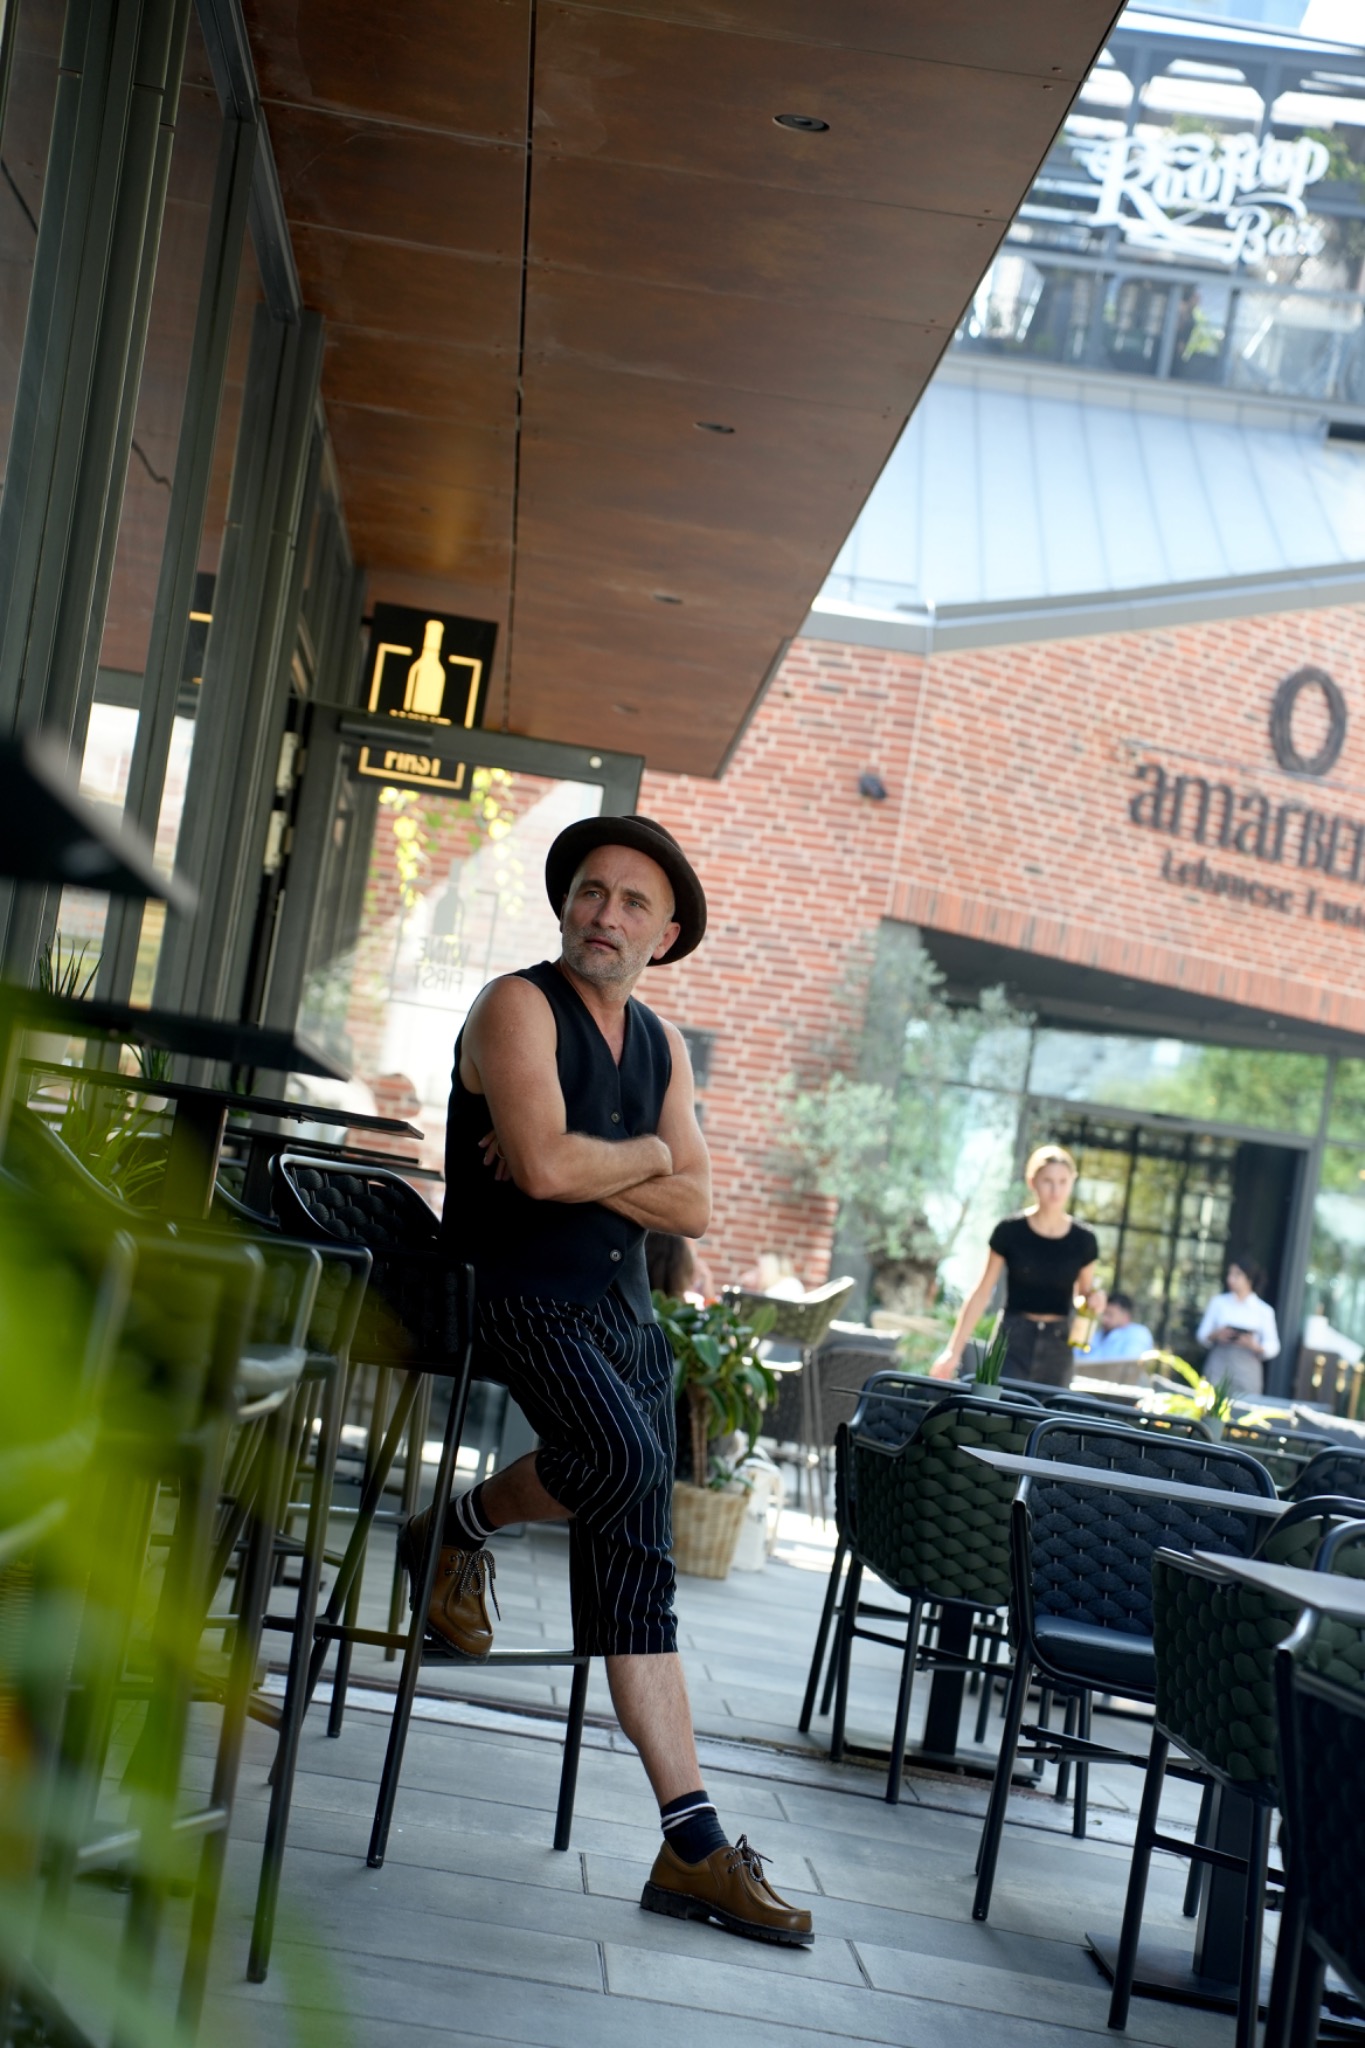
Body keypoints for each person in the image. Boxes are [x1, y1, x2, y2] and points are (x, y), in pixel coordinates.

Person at [402, 814, 812, 1950]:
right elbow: (536, 1167)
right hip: (513, 1293)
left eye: (634, 903)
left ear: (665, 932)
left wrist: (599, 1160)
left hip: (622, 1314)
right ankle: (457, 1524)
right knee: (624, 1459)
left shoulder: (663, 1044)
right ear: (564, 903)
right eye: (591, 891)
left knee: (641, 1567)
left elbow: (697, 1206)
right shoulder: (513, 1006)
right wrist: (640, 1158)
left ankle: (692, 1848)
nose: (606, 914)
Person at [932, 1145, 1099, 1385]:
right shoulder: (1010, 1231)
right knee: (999, 1415)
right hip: (1011, 1340)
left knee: (1049, 1419)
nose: (1056, 1189)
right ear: (1032, 1182)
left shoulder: (1084, 1239)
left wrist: (1095, 1299)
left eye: (1063, 1181)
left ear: (1072, 1182)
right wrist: (953, 1352)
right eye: (1048, 1181)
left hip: (1058, 1344)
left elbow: (1084, 1295)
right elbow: (981, 1292)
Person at [1197, 1256, 1280, 1399]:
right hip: (1218, 1364)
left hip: (1247, 1369)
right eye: (1230, 1274)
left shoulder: (1263, 1310)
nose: (1231, 1279)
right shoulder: (1219, 1303)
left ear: (1249, 1279)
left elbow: (1273, 1345)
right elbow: (1201, 1335)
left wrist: (1254, 1346)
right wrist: (1216, 1335)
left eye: (1237, 1275)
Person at [1083, 1290, 1155, 1364]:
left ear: (1126, 1317)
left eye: (1110, 1315)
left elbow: (1128, 1365)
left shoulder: (1138, 1334)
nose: (1104, 1319)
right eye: (1104, 1314)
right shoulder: (1098, 1334)